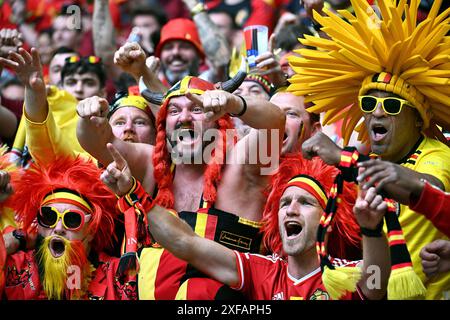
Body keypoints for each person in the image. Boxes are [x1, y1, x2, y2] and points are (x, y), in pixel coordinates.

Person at [77, 56, 285, 299]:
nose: (184, 117)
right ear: (164, 125)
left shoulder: (244, 163)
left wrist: (235, 103)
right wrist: (87, 118)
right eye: (174, 111)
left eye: (196, 109)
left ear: (219, 119)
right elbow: (95, 143)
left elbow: (275, 122)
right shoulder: (150, 165)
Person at [289, 0, 450, 299]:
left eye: (391, 105)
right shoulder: (360, 168)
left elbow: (432, 191)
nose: (376, 113)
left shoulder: (436, 154)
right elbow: (374, 285)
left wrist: (342, 156)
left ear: (418, 119)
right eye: (368, 103)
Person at [102, 152, 389, 300]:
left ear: (327, 218)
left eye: (305, 202)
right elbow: (184, 243)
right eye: (284, 203)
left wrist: (373, 231)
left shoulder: (347, 272)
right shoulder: (262, 270)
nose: (290, 208)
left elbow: (377, 287)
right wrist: (135, 192)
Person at [0, 156, 136, 300]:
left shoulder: (118, 275)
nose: (58, 228)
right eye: (48, 217)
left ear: (91, 230)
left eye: (72, 220)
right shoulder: (15, 267)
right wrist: (14, 239)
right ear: (39, 225)